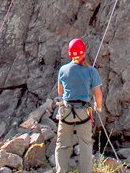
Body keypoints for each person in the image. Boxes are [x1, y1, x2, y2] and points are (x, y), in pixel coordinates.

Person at [55, 38, 103, 173]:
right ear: (84, 51)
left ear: (70, 53)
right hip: (83, 113)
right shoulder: (91, 71)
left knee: (62, 145)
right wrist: (98, 107)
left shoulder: (63, 70)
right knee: (86, 145)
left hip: (66, 112)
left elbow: (60, 92)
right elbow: (98, 94)